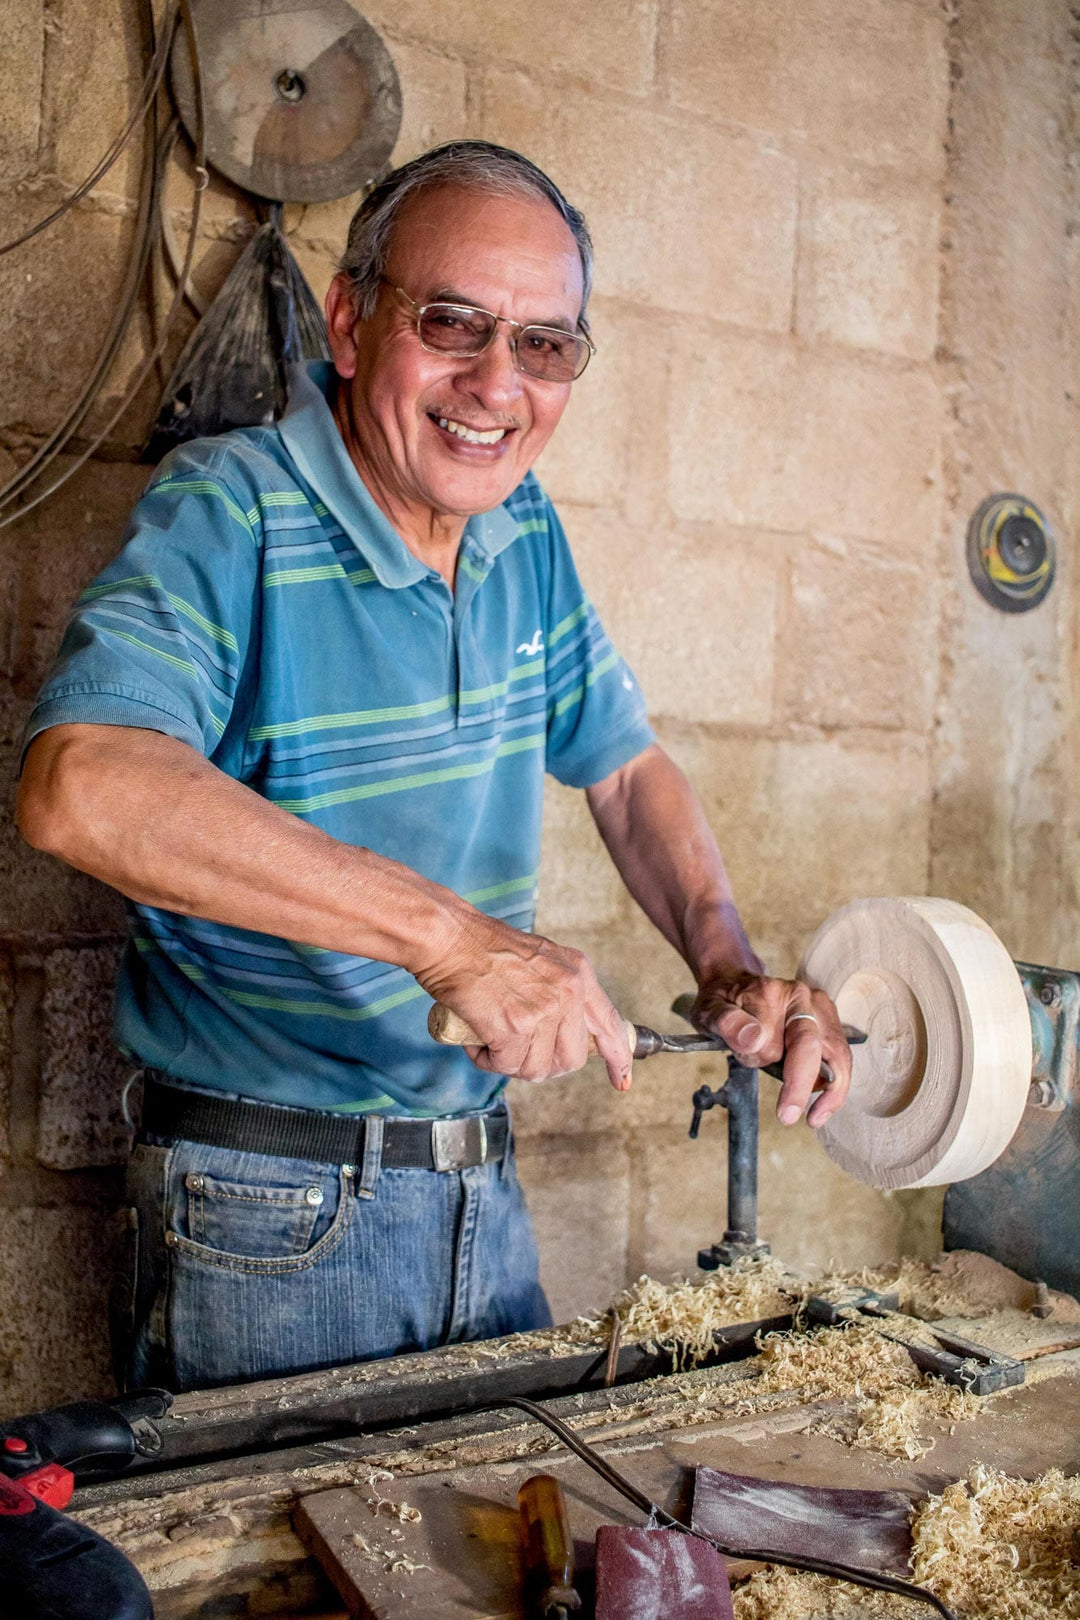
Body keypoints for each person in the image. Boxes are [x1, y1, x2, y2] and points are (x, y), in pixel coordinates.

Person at [16, 142, 851, 1394]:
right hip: (268, 1204)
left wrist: (726, 964)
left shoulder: (523, 528)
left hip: (477, 1176)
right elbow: (80, 784)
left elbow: (621, 769)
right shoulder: (230, 508)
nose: (494, 383)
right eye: (450, 321)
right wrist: (457, 944)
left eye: (546, 346)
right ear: (350, 321)